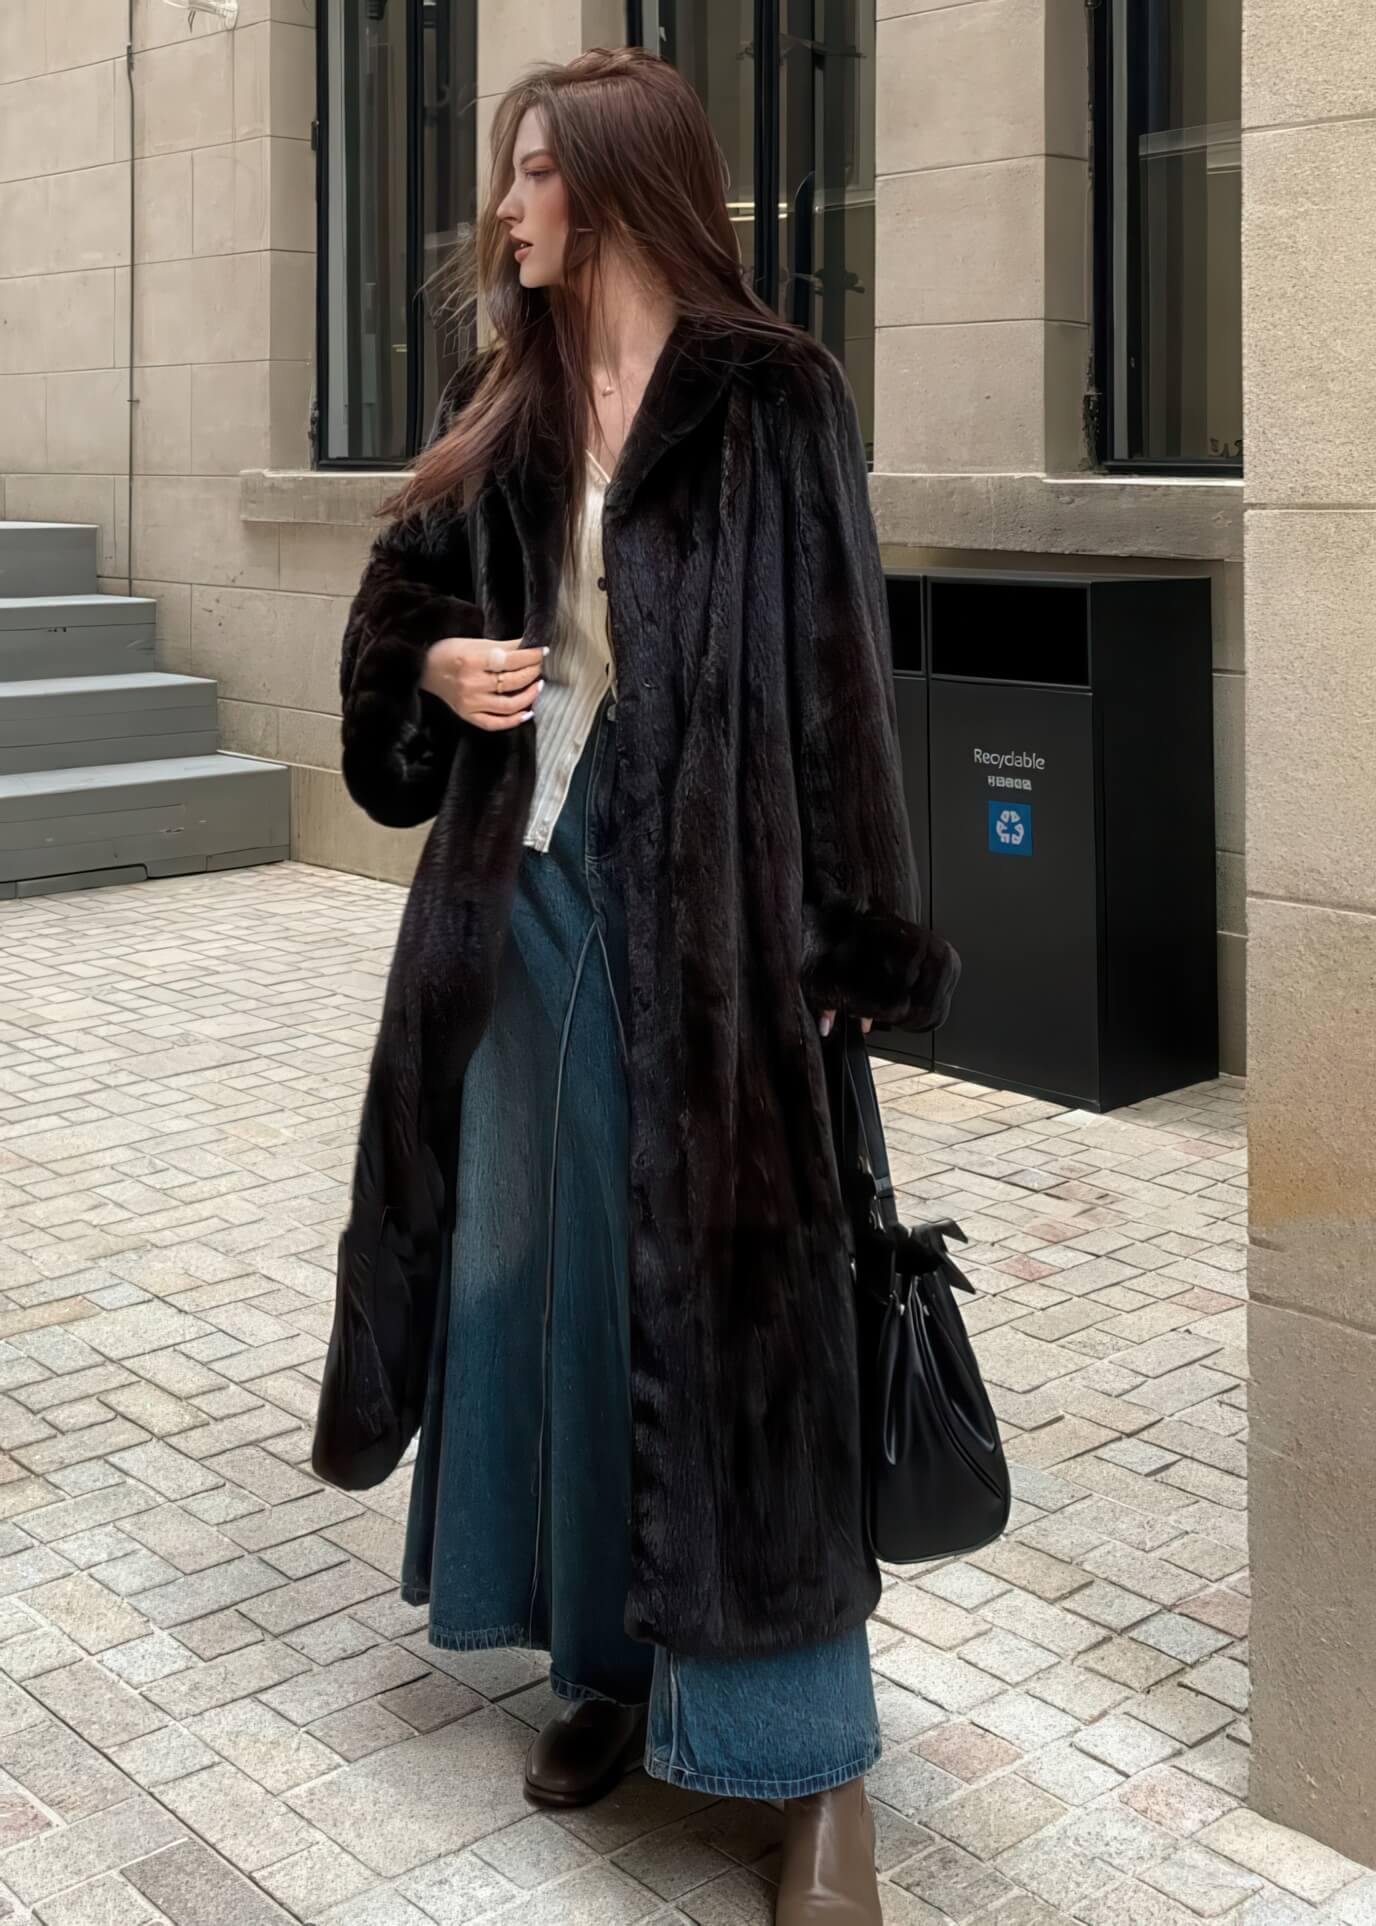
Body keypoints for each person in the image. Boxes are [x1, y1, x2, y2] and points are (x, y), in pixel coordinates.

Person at [313, 46, 958, 1925]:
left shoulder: (772, 396)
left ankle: (809, 1773)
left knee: (750, 1325)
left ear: (604, 182)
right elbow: (385, 617)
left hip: (719, 933)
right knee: (548, 1292)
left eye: (526, 175)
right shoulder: (501, 406)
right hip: (516, 923)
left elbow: (849, 683)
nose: (502, 209)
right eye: (508, 177)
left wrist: (857, 936)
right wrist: (433, 671)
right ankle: (603, 1663)